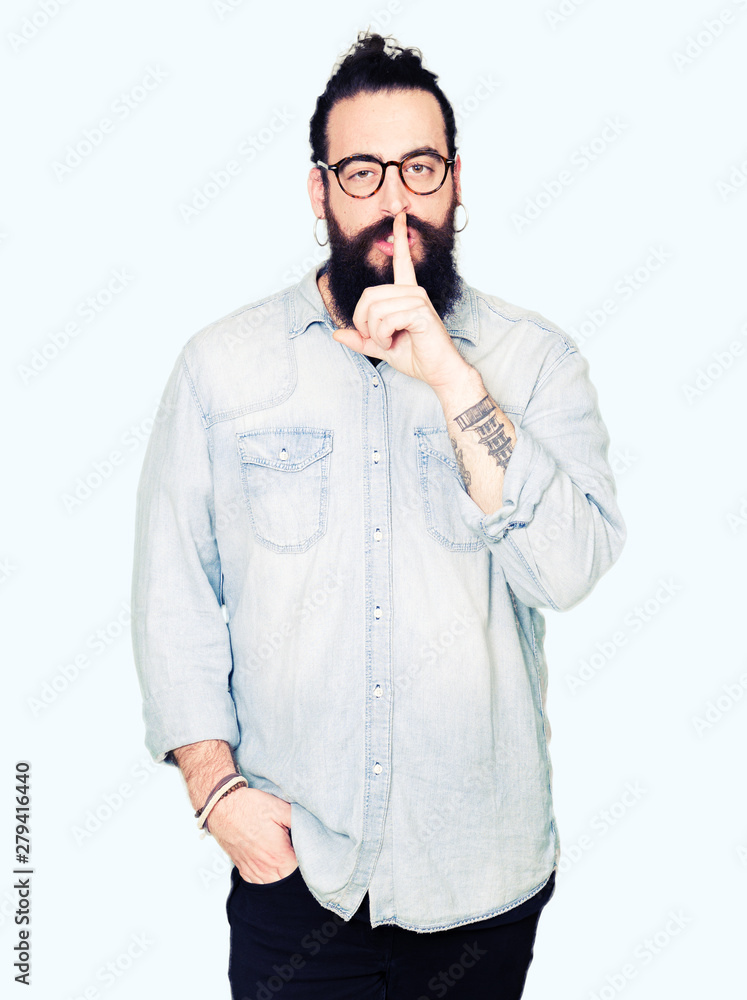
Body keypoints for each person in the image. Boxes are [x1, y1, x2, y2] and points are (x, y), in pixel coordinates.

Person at [131, 32, 626, 1000]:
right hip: (296, 876)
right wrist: (214, 789)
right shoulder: (222, 368)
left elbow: (567, 570)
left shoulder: (535, 362)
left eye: (420, 167)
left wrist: (451, 378)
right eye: (362, 172)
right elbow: (174, 595)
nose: (394, 201)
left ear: (455, 180)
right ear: (320, 192)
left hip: (483, 879)